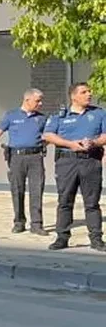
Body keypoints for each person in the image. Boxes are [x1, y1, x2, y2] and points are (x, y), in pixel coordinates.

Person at [41, 82, 106, 251]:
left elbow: (105, 135)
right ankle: (62, 237)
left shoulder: (98, 113)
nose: (89, 94)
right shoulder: (60, 115)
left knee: (92, 202)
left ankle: (96, 238)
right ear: (73, 96)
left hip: (91, 160)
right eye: (84, 92)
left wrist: (94, 142)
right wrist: (70, 144)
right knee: (65, 201)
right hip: (67, 162)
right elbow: (48, 135)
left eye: (89, 91)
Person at [0, 88, 48, 235]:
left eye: (40, 100)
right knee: (17, 190)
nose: (40, 103)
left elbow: (48, 136)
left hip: (35, 157)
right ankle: (19, 222)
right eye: (37, 100)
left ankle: (37, 224)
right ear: (27, 100)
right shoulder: (11, 115)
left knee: (36, 190)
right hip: (16, 158)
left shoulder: (42, 118)